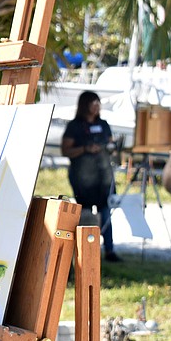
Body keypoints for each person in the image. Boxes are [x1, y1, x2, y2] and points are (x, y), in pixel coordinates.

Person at [61, 91, 120, 261]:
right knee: (85, 212)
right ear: (84, 105)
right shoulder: (75, 126)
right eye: (93, 103)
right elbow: (66, 150)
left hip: (103, 176)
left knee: (106, 211)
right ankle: (84, 249)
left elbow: (111, 145)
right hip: (83, 177)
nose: (96, 106)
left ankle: (109, 250)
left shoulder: (103, 124)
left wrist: (111, 147)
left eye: (98, 103)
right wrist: (85, 149)